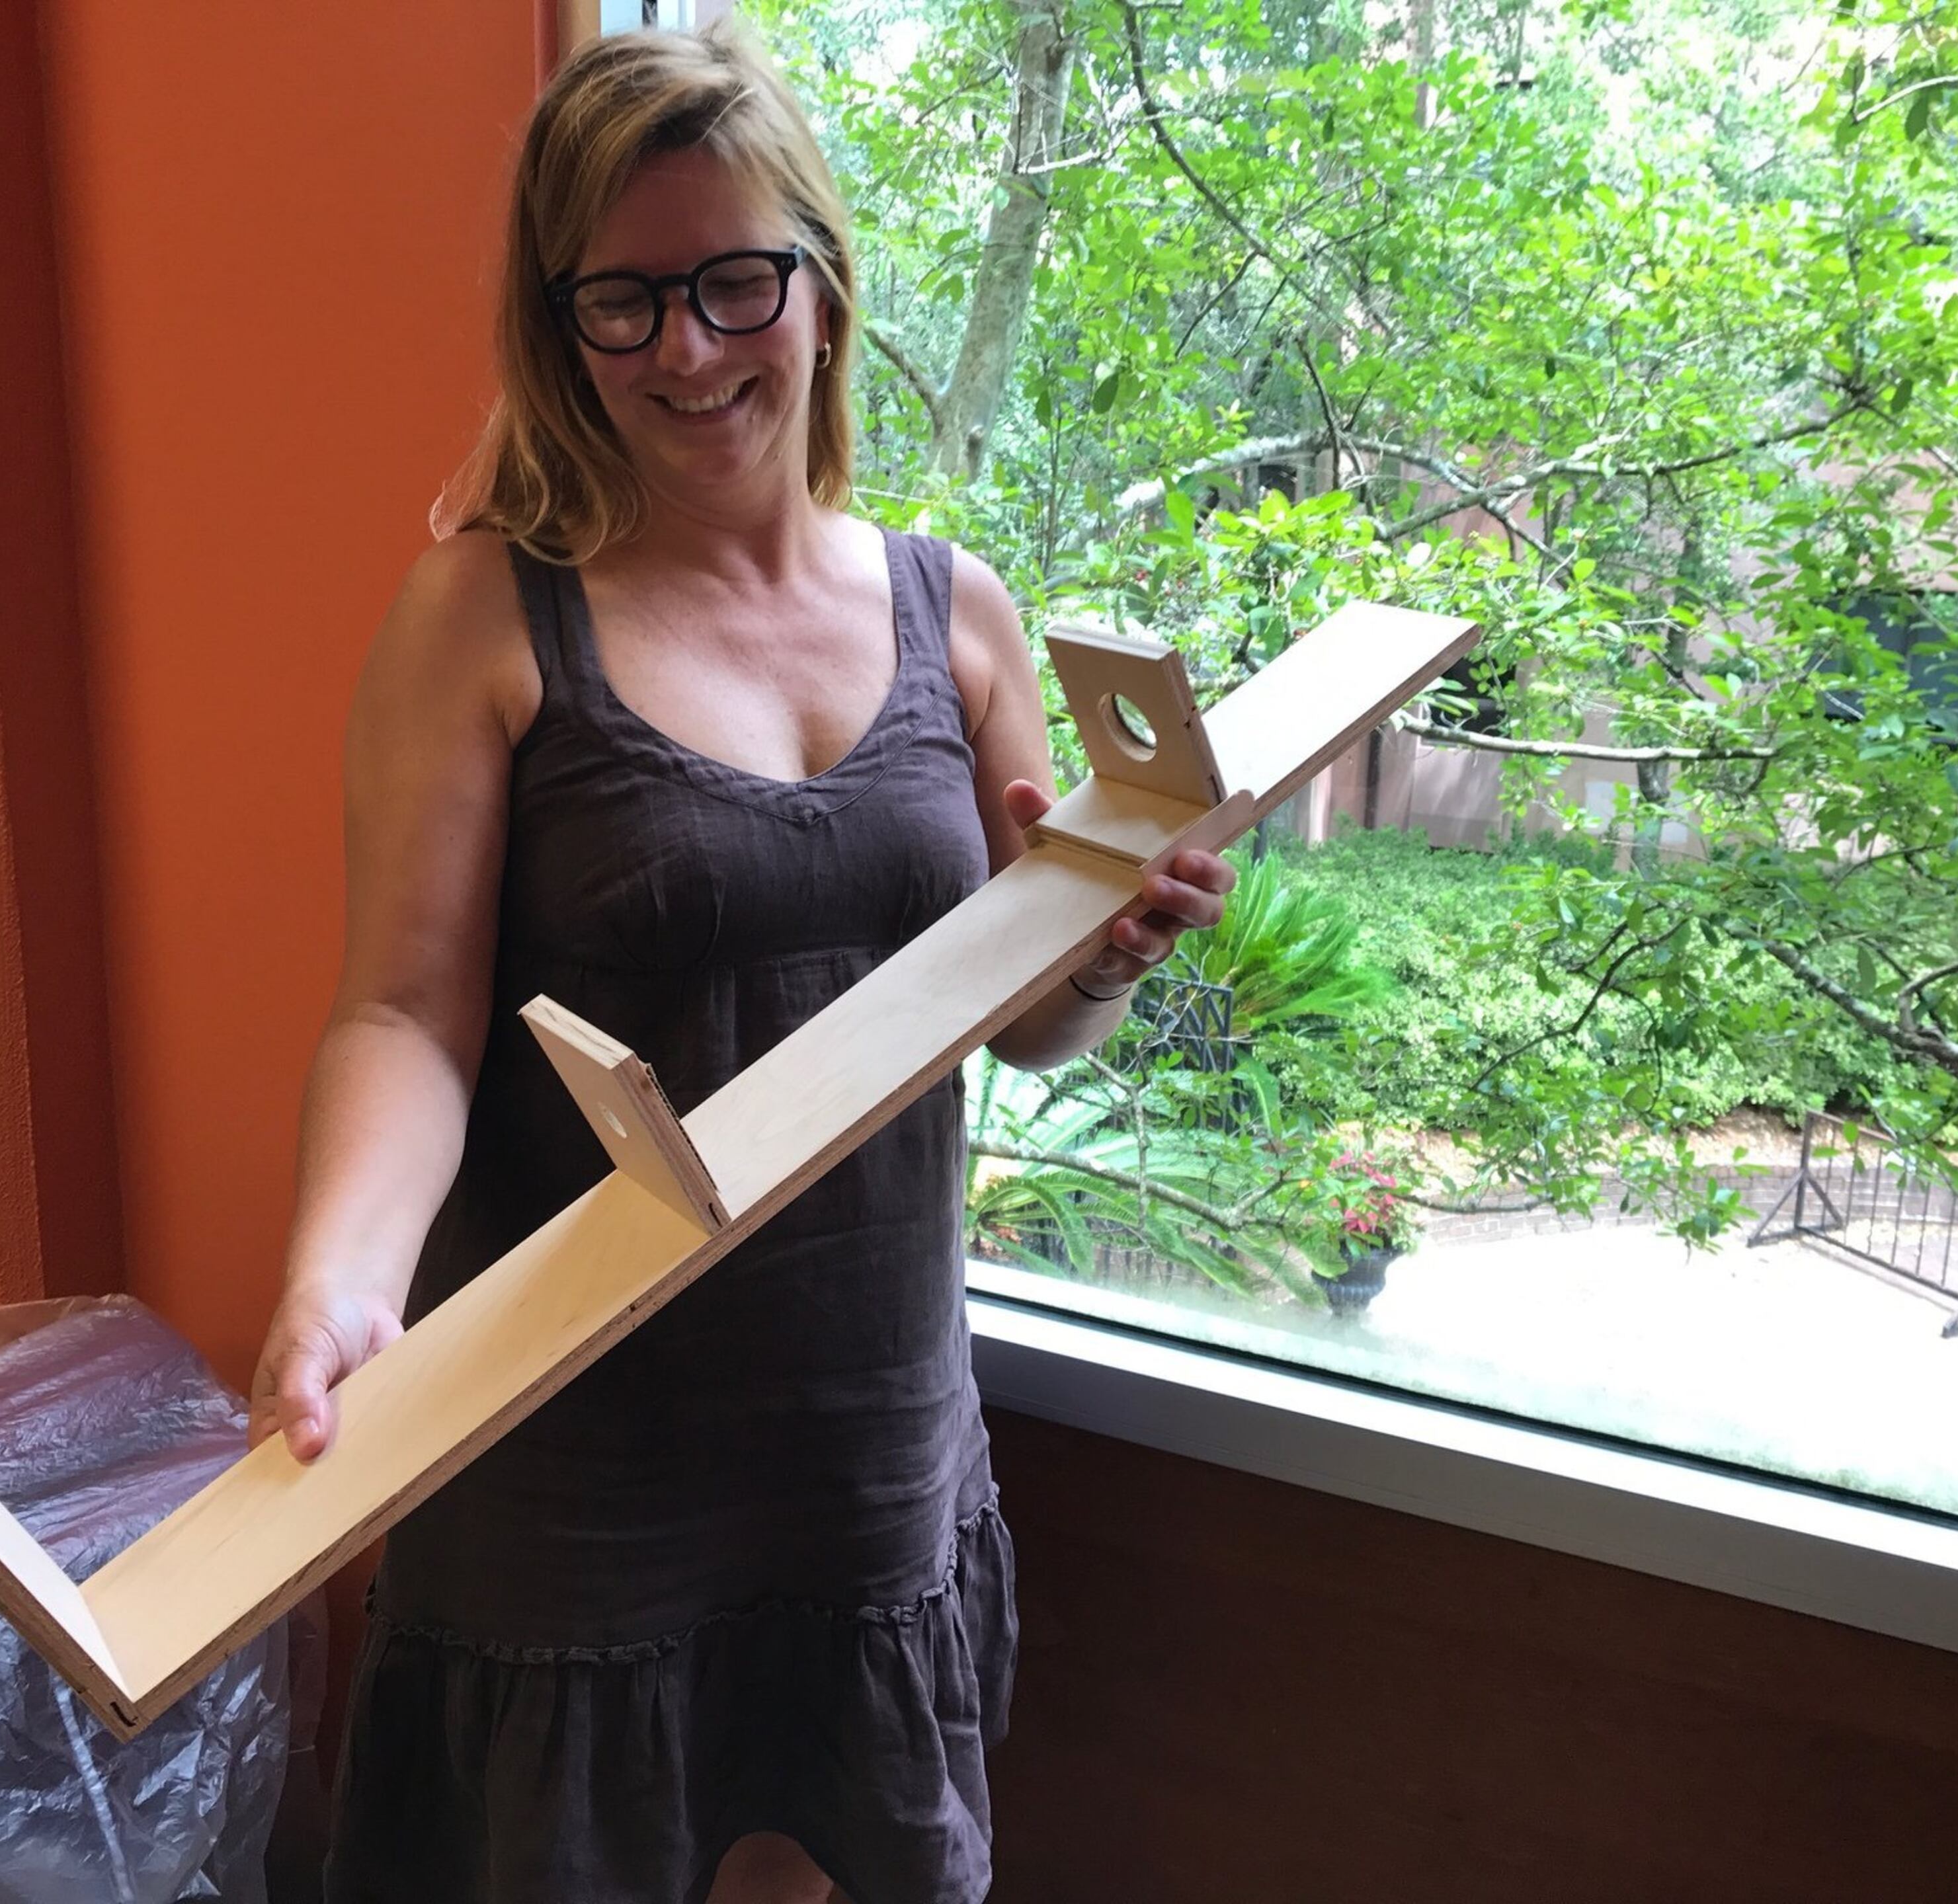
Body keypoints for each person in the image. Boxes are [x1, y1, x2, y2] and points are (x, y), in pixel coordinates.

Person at [247, 22, 1235, 1904]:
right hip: (570, 1475)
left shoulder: (962, 617)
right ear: (561, 325)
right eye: (622, 303)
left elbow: (1029, 1023)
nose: (687, 351)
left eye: (731, 283)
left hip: (864, 1444)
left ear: (821, 283)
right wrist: (338, 1283)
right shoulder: (482, 616)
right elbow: (402, 1013)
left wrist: (1110, 950)